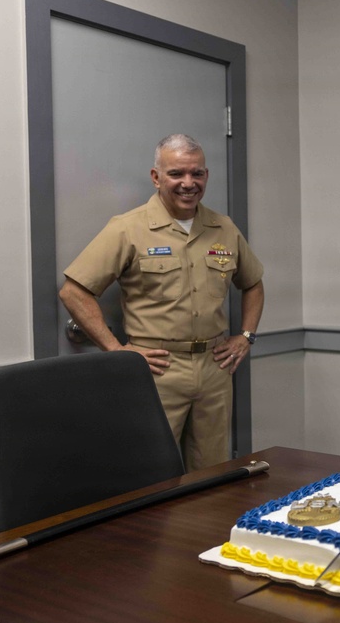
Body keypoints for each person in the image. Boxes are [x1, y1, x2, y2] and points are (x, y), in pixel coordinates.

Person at [60, 133, 264, 471]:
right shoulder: (128, 228)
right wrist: (115, 350)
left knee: (213, 470)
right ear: (156, 177)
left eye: (197, 173)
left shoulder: (223, 227)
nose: (188, 183)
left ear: (206, 175)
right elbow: (73, 291)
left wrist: (245, 336)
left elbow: (253, 283)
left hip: (215, 368)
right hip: (158, 370)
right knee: (153, 470)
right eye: (176, 173)